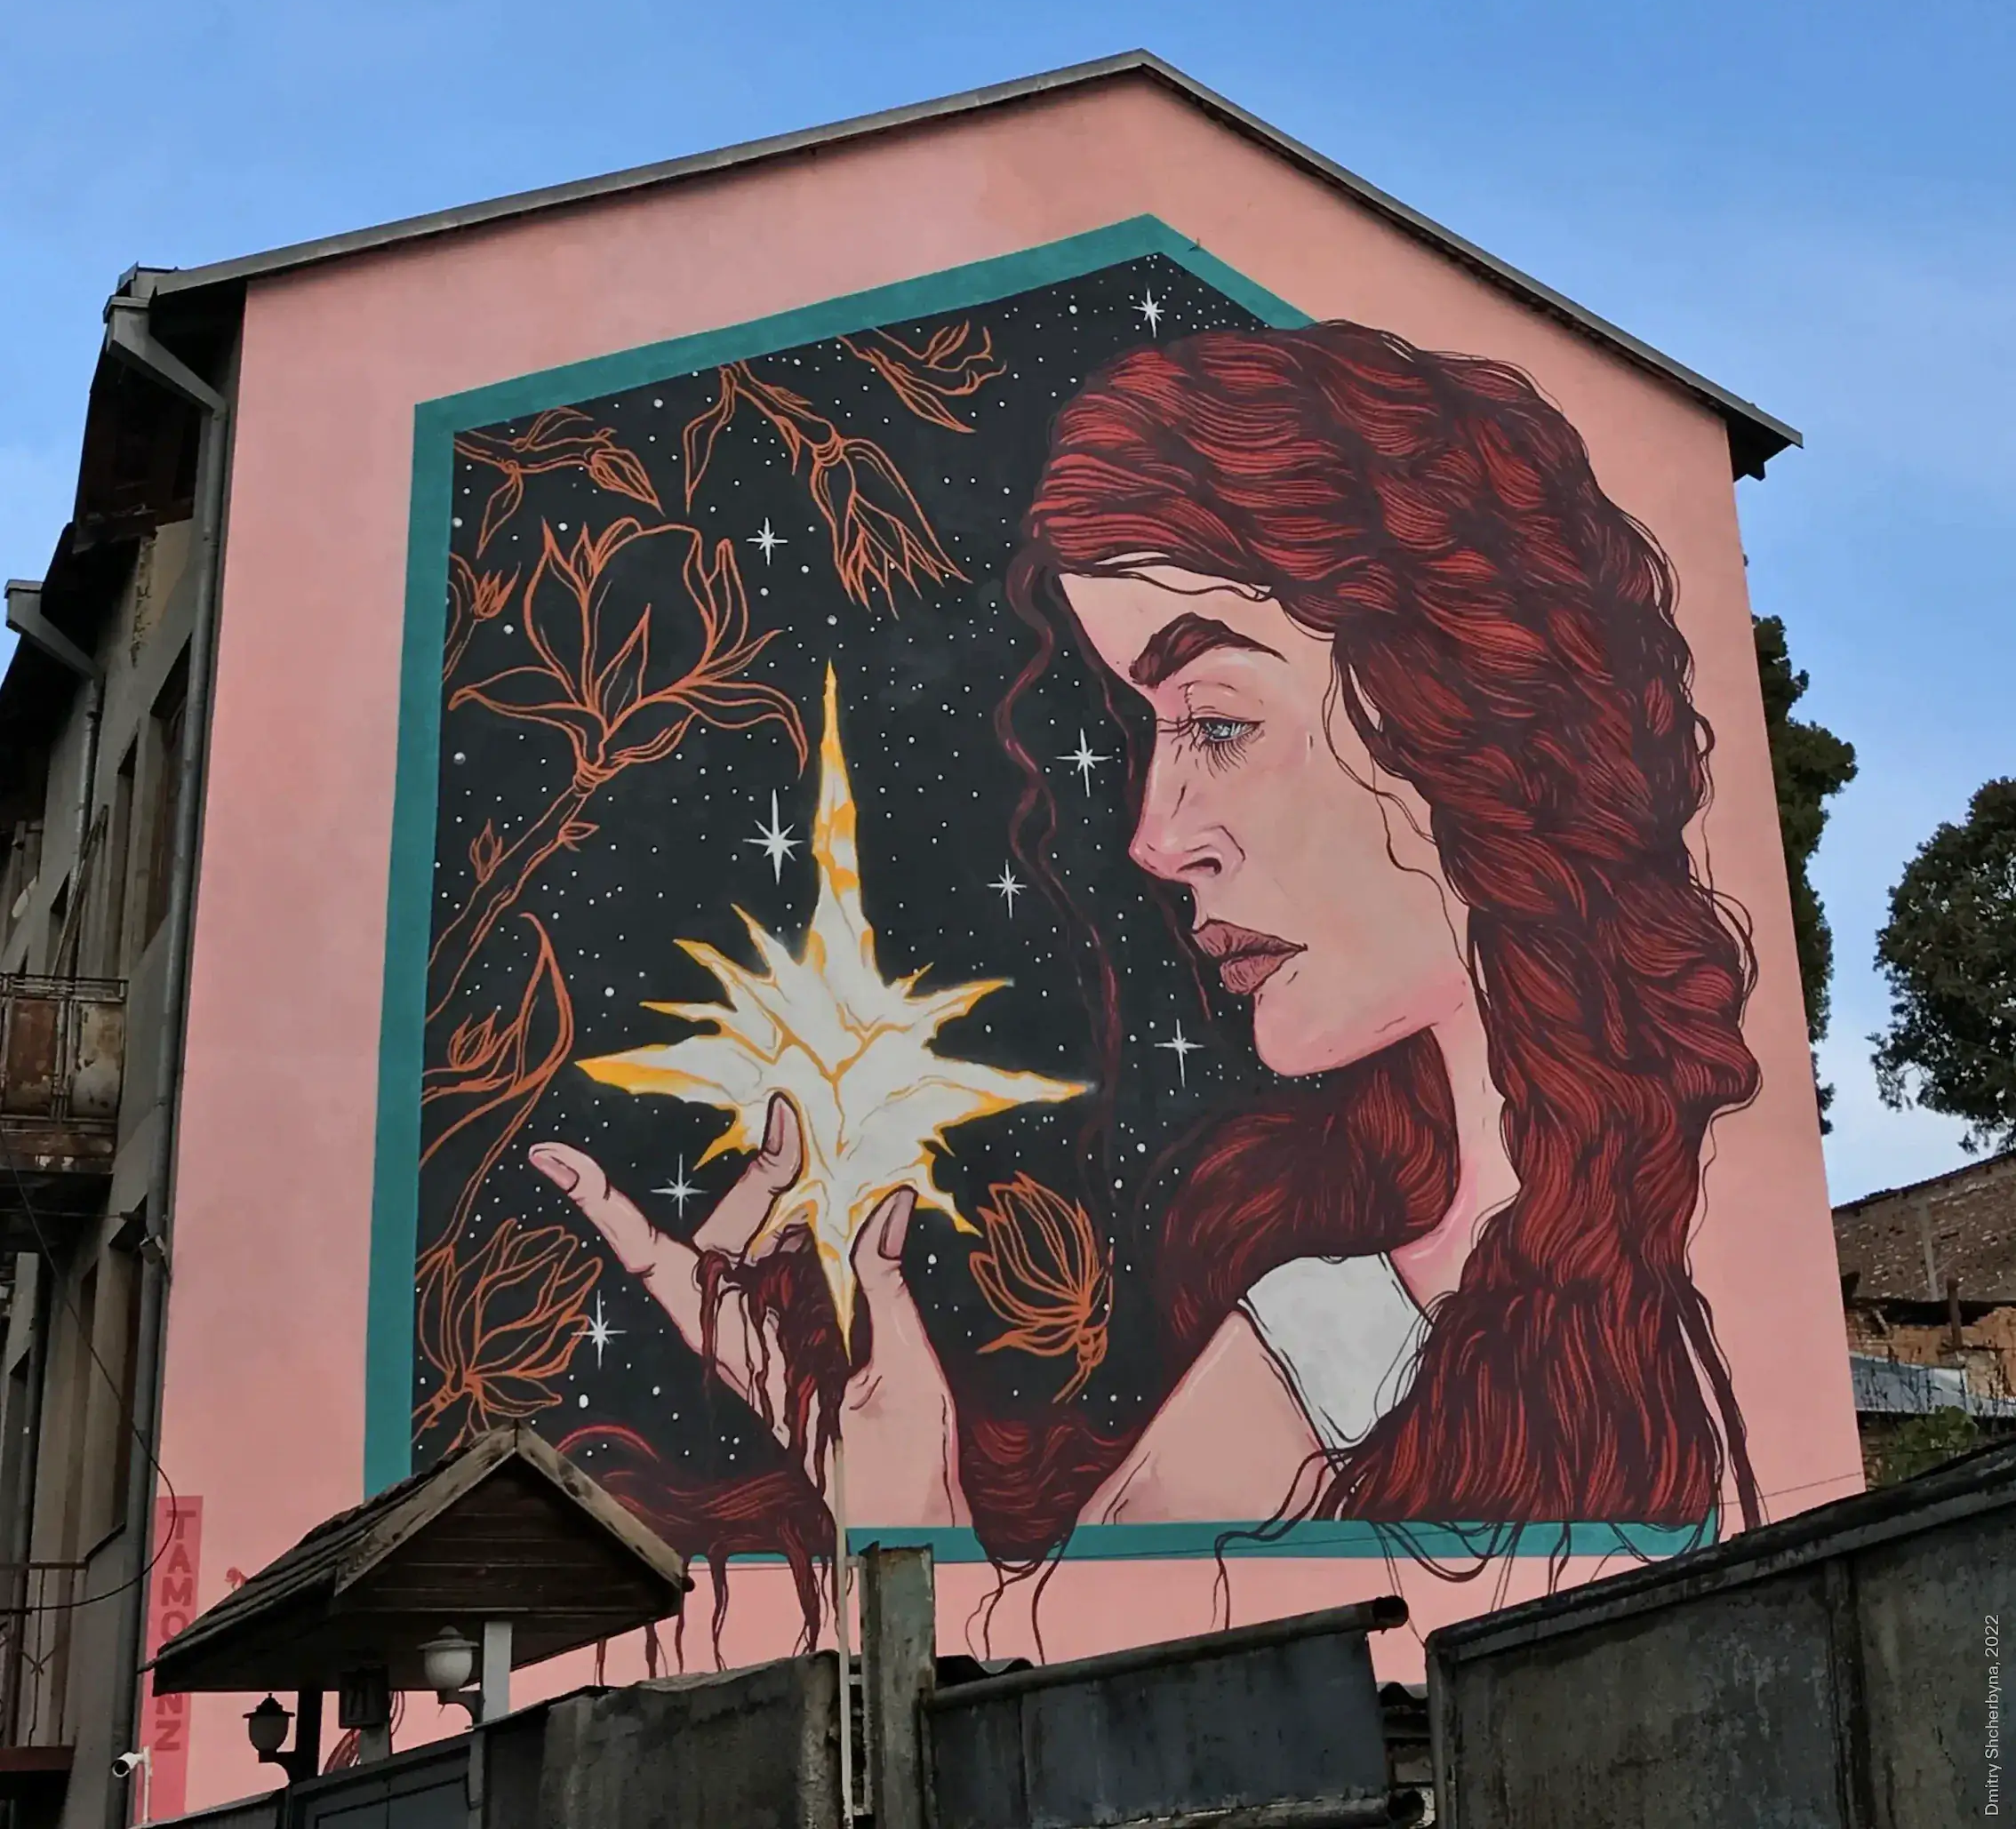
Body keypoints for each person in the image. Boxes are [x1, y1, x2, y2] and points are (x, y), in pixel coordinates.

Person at [532, 319, 1762, 1551]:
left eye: (1216, 720)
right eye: (1146, 731)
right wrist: (895, 1495)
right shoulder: (1337, 1326)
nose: (1157, 836)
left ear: (1465, 718)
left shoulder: (1581, 1325)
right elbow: (1081, 1677)